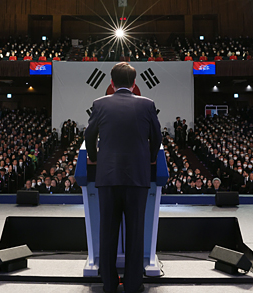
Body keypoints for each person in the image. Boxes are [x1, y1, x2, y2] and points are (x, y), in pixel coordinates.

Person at [85, 62, 161, 293]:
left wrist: (93, 157)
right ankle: (132, 284)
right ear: (134, 83)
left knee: (107, 232)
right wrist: (149, 159)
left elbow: (89, 135)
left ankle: (109, 284)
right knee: (136, 232)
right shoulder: (148, 105)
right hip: (137, 177)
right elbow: (156, 138)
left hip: (107, 176)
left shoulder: (99, 104)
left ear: (111, 82)